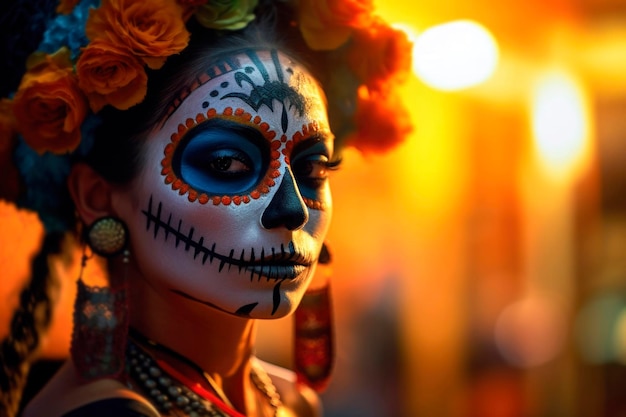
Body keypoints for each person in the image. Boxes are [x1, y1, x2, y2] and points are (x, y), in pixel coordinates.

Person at [0, 0, 413, 416]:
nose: (292, 210)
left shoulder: (290, 402)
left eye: (312, 167)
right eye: (225, 164)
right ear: (96, 197)